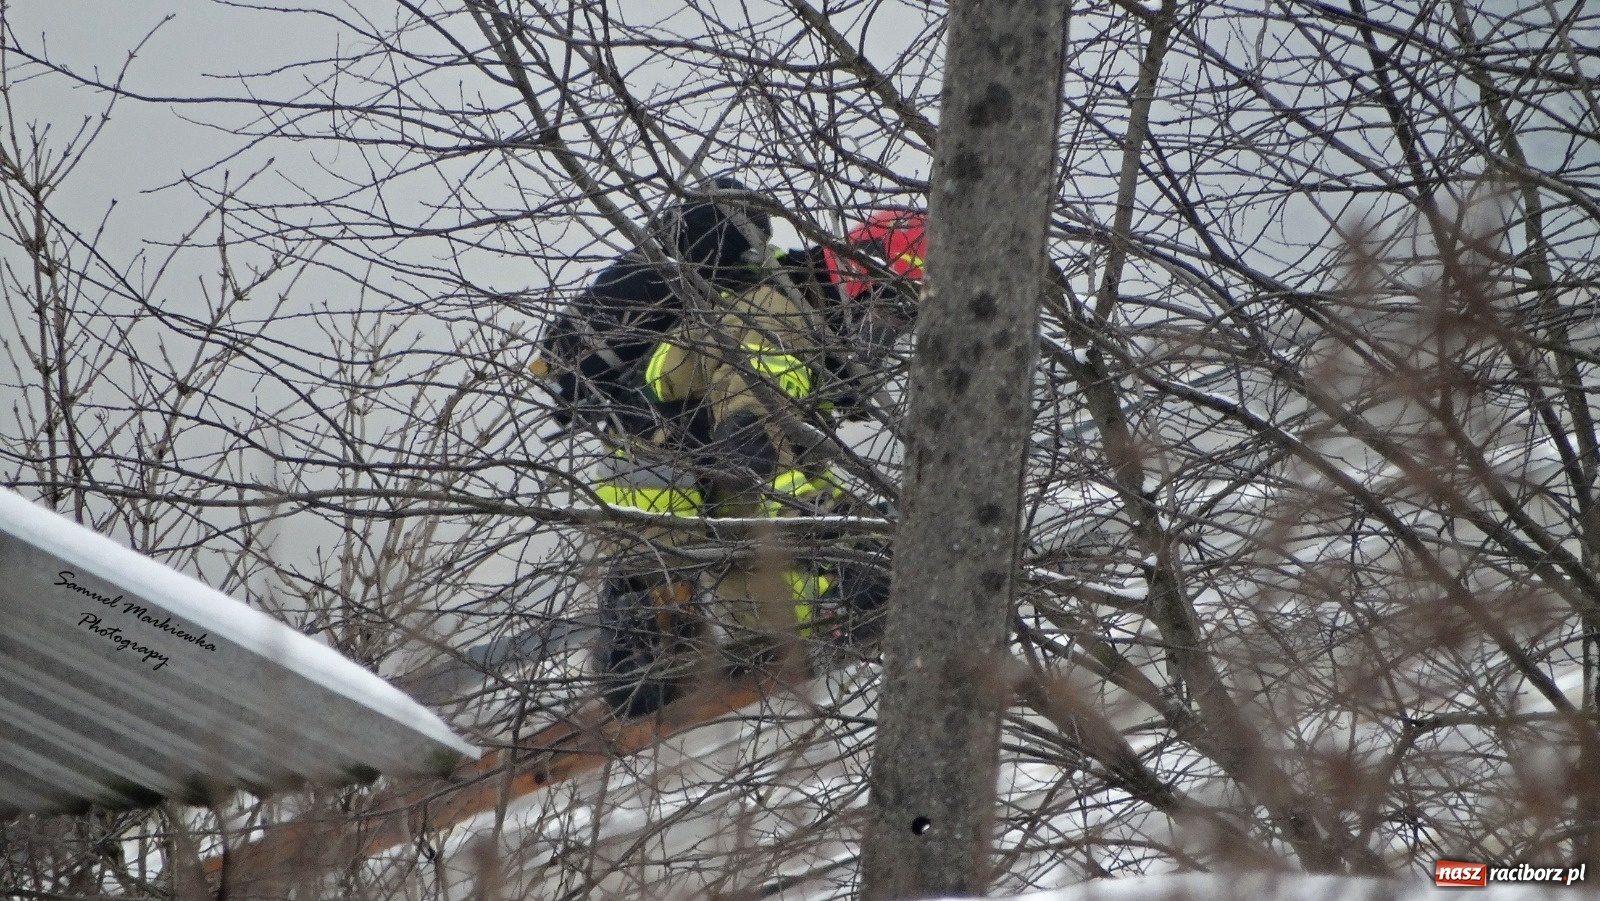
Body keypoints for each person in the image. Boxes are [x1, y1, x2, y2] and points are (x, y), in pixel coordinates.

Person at [533, 183, 927, 715]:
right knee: (651, 683)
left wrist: (859, 535)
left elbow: (783, 459)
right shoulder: (776, 315)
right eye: (891, 313)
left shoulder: (798, 316)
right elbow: (757, 452)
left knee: (809, 608)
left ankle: (653, 621)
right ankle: (637, 626)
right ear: (863, 277)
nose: (890, 335)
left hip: (702, 503)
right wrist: (846, 540)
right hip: (668, 512)